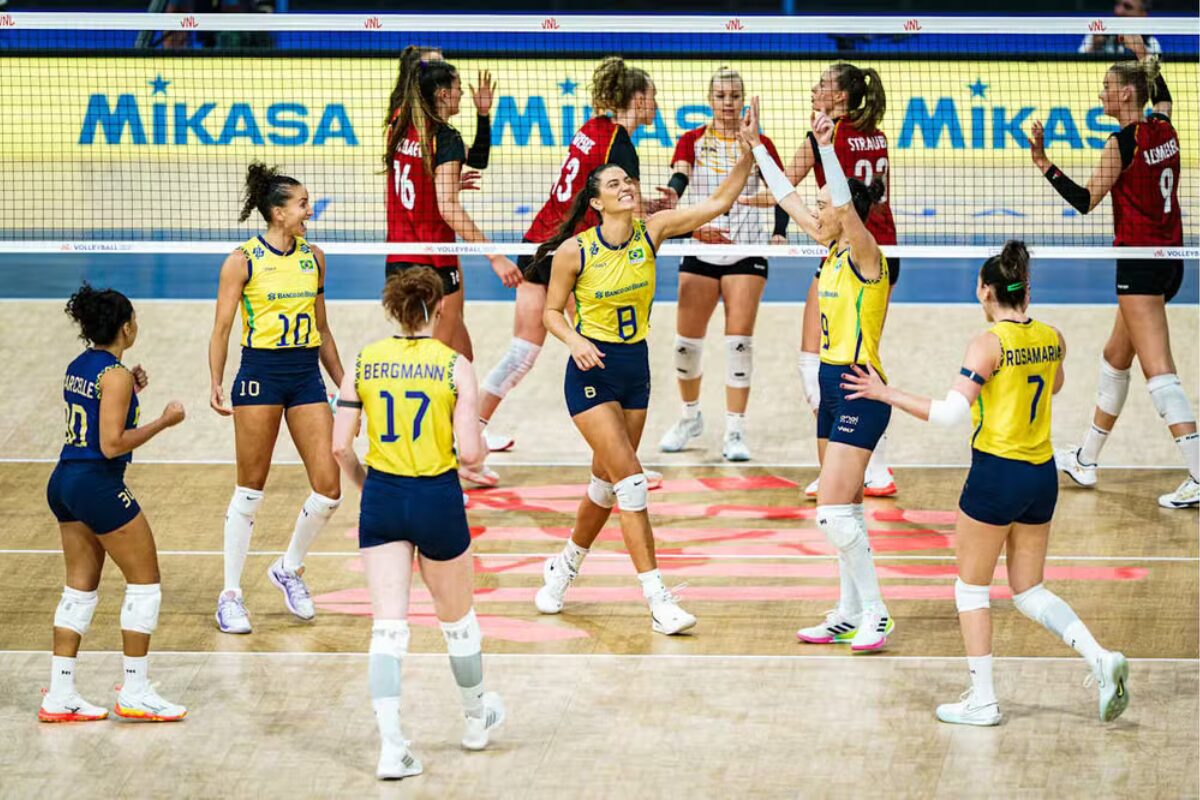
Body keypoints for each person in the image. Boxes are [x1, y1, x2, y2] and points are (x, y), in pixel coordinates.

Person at [842, 241, 1130, 726]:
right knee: (1029, 590)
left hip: (997, 475)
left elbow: (950, 414)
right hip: (1041, 476)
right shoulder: (1053, 337)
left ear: (984, 290)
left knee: (971, 590)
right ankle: (1099, 658)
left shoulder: (988, 343)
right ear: (1026, 292)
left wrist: (883, 392)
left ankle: (983, 700)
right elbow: (1054, 385)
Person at [533, 106, 756, 634]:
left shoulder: (652, 232)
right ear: (596, 202)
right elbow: (550, 312)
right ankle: (658, 600)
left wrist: (748, 152)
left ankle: (562, 569)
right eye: (614, 183)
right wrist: (575, 340)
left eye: (628, 180)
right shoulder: (574, 252)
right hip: (591, 372)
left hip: (635, 370)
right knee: (632, 483)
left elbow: (719, 203)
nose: (626, 186)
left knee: (605, 486)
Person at [332, 267, 504, 780]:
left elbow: (339, 446)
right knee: (457, 620)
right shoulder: (455, 365)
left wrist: (367, 486)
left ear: (393, 310)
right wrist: (475, 443)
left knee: (388, 628)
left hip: (383, 497)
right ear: (440, 307)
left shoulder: (364, 360)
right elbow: (470, 454)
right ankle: (475, 722)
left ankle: (393, 749)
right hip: (436, 498)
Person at [745, 100, 894, 651]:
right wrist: (757, 147)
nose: (816, 209)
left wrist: (827, 148)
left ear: (845, 213)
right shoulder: (830, 249)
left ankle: (876, 612)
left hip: (860, 388)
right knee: (846, 510)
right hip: (831, 390)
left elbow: (845, 208)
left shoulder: (865, 256)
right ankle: (848, 610)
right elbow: (787, 196)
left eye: (824, 204)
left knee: (831, 514)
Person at [1031, 44, 1196, 509]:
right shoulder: (1164, 126)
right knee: (1114, 356)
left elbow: (1086, 201)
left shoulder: (1120, 144)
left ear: (1126, 94)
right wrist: (1146, 60)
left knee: (1159, 371)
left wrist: (1043, 162)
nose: (1100, 92)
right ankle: (1086, 458)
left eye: (1107, 87)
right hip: (1170, 258)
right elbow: (1163, 97)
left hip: (1140, 264)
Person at [476, 56, 659, 462]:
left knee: (521, 353)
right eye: (653, 97)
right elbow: (630, 215)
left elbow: (597, 192)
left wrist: (648, 202)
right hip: (575, 257)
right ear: (639, 99)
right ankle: (621, 462)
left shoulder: (592, 128)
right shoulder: (620, 146)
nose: (657, 105)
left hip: (538, 243)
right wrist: (675, 219)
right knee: (605, 351)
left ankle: (468, 438)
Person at [208, 163, 345, 634]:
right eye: (303, 204)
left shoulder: (315, 258)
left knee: (329, 488)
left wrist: (344, 385)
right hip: (260, 376)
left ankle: (288, 567)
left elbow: (322, 328)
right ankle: (230, 596)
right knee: (250, 488)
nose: (310, 211)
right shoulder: (241, 261)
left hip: (305, 375)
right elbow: (222, 328)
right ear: (278, 212)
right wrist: (215, 381)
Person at [40, 284, 187, 723]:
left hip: (64, 481)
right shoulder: (115, 376)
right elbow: (110, 444)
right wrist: (164, 421)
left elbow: (97, 407)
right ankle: (136, 691)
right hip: (97, 483)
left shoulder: (81, 366)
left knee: (78, 591)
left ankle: (60, 693)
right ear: (126, 327)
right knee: (145, 583)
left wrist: (130, 390)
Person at [657, 67, 789, 462]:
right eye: (721, 96)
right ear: (710, 100)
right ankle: (690, 418)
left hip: (746, 251)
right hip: (700, 248)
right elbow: (680, 175)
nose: (728, 103)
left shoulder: (760, 142)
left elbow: (779, 188)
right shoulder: (692, 140)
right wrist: (672, 195)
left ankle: (735, 430)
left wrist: (779, 231)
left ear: (744, 100)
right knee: (686, 345)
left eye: (734, 96)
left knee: (739, 343)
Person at [383, 47, 521, 362]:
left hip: (398, 258)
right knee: (435, 363)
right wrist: (495, 255)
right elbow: (447, 207)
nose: (461, 93)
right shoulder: (444, 137)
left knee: (459, 358)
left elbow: (475, 160)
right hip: (435, 262)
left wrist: (483, 115)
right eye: (457, 87)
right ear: (443, 94)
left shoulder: (400, 123)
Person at [1078, 0, 1161, 56]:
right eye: (1117, 4)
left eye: (1128, 7)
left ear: (1142, 14)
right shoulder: (1096, 35)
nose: (1118, 11)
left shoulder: (1151, 43)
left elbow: (1155, 73)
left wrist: (1140, 50)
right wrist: (1094, 46)